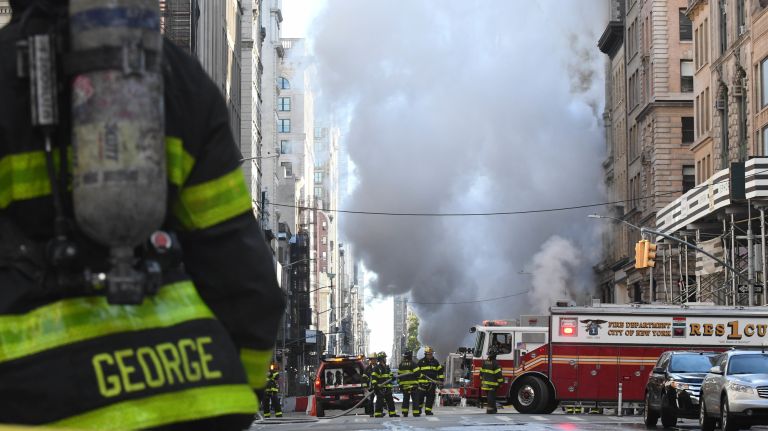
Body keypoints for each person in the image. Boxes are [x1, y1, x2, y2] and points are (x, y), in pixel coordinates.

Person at [0, 1, 285, 429]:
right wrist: (235, 393)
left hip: (37, 403)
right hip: (192, 394)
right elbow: (252, 287)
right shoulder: (183, 80)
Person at [416, 346, 444, 416]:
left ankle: (428, 411)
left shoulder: (435, 362)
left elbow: (440, 371)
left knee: (430, 398)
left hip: (432, 384)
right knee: (420, 398)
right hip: (422, 384)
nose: (430, 355)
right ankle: (418, 410)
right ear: (425, 354)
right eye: (429, 354)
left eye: (431, 354)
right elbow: (416, 372)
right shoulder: (420, 362)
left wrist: (441, 380)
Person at [372, 352, 398, 418]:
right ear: (381, 359)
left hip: (387, 388)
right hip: (380, 388)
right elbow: (374, 377)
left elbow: (390, 375)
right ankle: (378, 414)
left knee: (390, 401)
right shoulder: (377, 368)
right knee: (380, 401)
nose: (385, 359)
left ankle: (392, 413)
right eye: (384, 358)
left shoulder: (387, 367)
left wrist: (393, 377)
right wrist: (375, 385)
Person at [480, 346, 504, 414]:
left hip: (485, 384)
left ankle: (494, 409)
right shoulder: (495, 363)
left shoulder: (485, 362)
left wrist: (482, 381)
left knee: (490, 397)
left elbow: (481, 373)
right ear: (495, 355)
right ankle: (490, 410)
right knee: (491, 397)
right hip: (492, 384)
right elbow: (498, 374)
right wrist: (501, 382)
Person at [397, 350, 420, 417]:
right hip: (413, 386)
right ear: (410, 356)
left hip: (405, 386)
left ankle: (405, 412)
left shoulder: (401, 365)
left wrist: (400, 385)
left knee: (405, 399)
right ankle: (415, 413)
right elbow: (418, 374)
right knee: (415, 399)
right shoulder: (413, 364)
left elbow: (399, 376)